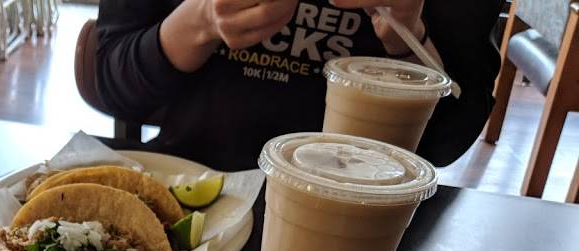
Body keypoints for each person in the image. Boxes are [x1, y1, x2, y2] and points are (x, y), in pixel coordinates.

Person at [95, 0, 502, 169]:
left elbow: (447, 141)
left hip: (364, 217)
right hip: (191, 188)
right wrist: (200, 21)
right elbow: (114, 86)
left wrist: (407, 36)